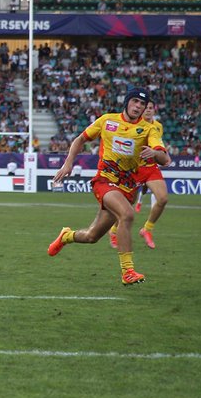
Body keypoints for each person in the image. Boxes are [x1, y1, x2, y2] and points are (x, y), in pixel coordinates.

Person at [48, 87, 170, 285]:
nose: (138, 106)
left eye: (142, 104)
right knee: (127, 215)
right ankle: (128, 271)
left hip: (127, 188)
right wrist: (68, 163)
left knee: (92, 236)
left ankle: (66, 236)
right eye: (135, 101)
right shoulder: (107, 120)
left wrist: (155, 153)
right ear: (127, 102)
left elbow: (165, 159)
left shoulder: (149, 129)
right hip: (104, 180)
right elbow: (80, 139)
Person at [109, 99, 169, 250]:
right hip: (135, 168)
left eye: (151, 108)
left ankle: (147, 229)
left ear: (154, 110)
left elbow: (159, 145)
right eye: (145, 107)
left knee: (162, 198)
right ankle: (114, 231)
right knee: (127, 204)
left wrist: (162, 154)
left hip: (151, 167)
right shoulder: (134, 124)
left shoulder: (157, 127)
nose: (148, 110)